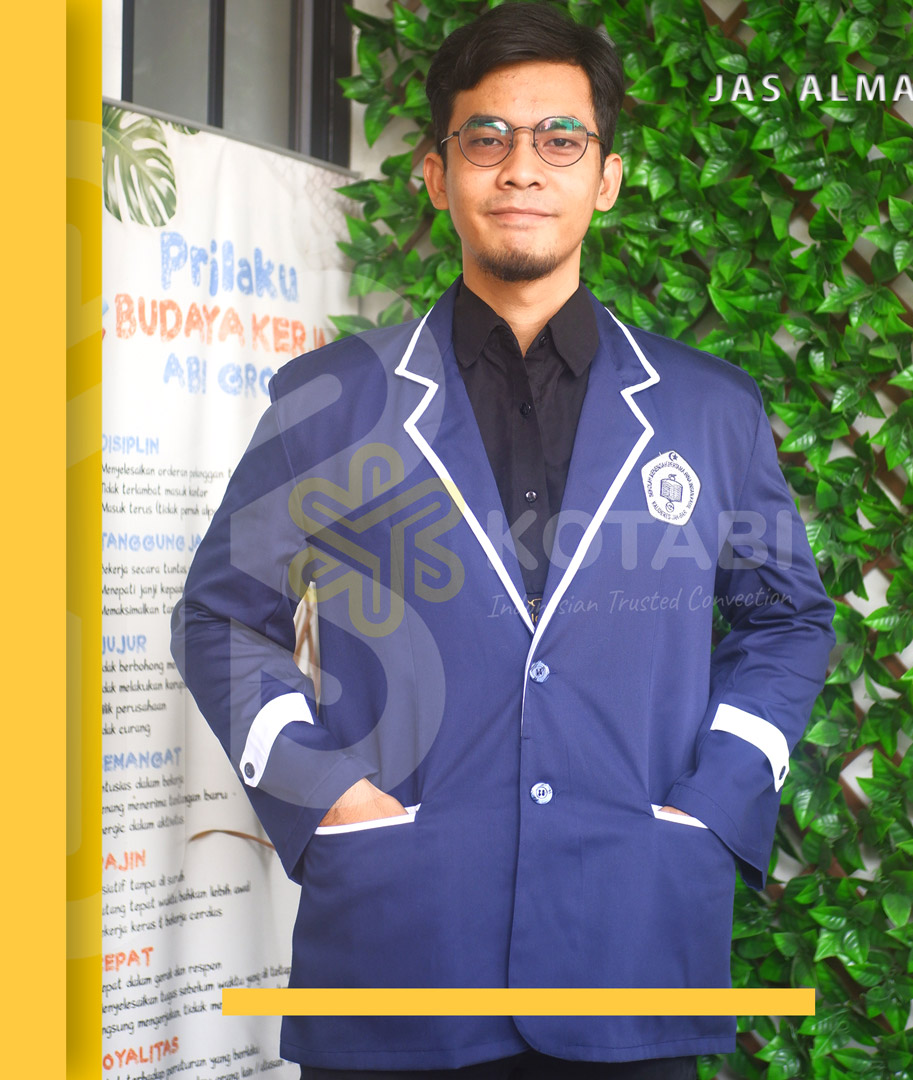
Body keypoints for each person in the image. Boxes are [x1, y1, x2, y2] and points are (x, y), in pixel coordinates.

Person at [170, 3, 836, 1077]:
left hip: (634, 948)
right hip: (401, 951)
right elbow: (221, 616)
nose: (522, 166)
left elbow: (788, 621)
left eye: (560, 139)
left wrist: (719, 799)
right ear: (437, 174)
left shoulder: (711, 410)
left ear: (607, 177)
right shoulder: (330, 399)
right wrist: (320, 788)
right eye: (487, 137)